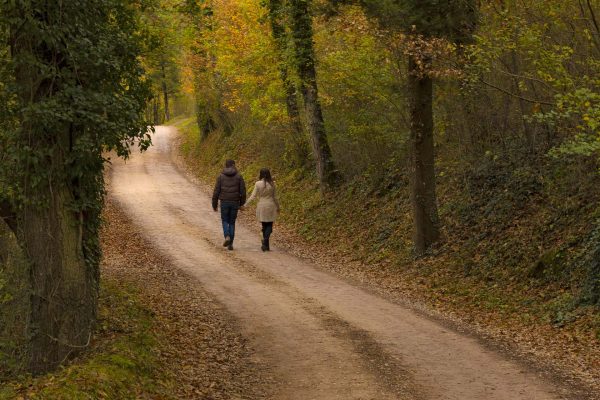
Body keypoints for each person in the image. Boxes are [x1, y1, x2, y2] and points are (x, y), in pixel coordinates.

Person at [212, 159, 246, 250]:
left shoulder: (220, 176)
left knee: (225, 220)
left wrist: (214, 205)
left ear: (225, 165)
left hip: (224, 202)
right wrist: (241, 203)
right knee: (232, 222)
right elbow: (243, 191)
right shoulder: (239, 176)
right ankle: (230, 244)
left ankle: (227, 236)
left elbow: (216, 192)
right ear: (234, 165)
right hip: (235, 202)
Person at [243, 168, 280, 251]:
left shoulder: (257, 184)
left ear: (261, 174)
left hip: (262, 205)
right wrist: (278, 207)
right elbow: (275, 197)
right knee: (269, 225)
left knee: (264, 225)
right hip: (271, 205)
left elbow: (253, 196)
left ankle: (265, 242)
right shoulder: (273, 184)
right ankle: (266, 242)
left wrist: (245, 205)